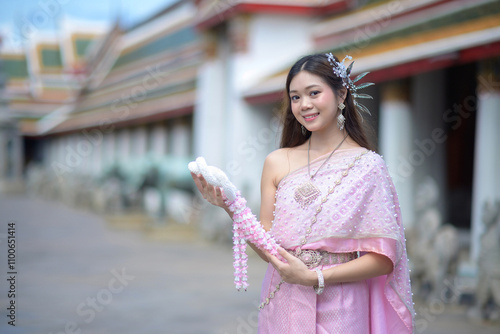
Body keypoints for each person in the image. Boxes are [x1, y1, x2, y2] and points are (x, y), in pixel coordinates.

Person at [191, 53, 414, 333]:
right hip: (284, 297)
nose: (304, 105)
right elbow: (267, 246)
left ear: (341, 93)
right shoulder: (277, 161)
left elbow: (383, 258)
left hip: (343, 302)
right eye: (295, 97)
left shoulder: (368, 166)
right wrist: (230, 207)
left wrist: (314, 277)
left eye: (314, 93)